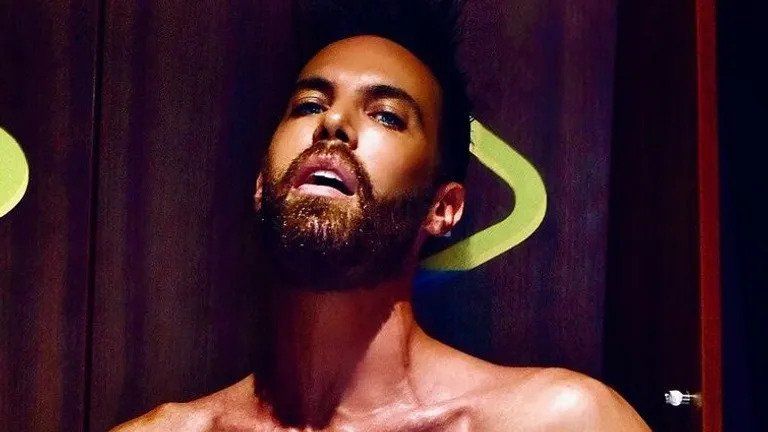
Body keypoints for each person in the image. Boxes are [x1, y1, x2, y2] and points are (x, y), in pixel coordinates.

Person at [112, 1, 649, 430]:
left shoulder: (558, 421)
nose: (333, 124)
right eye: (308, 105)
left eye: (387, 116)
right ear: (260, 186)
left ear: (442, 208)